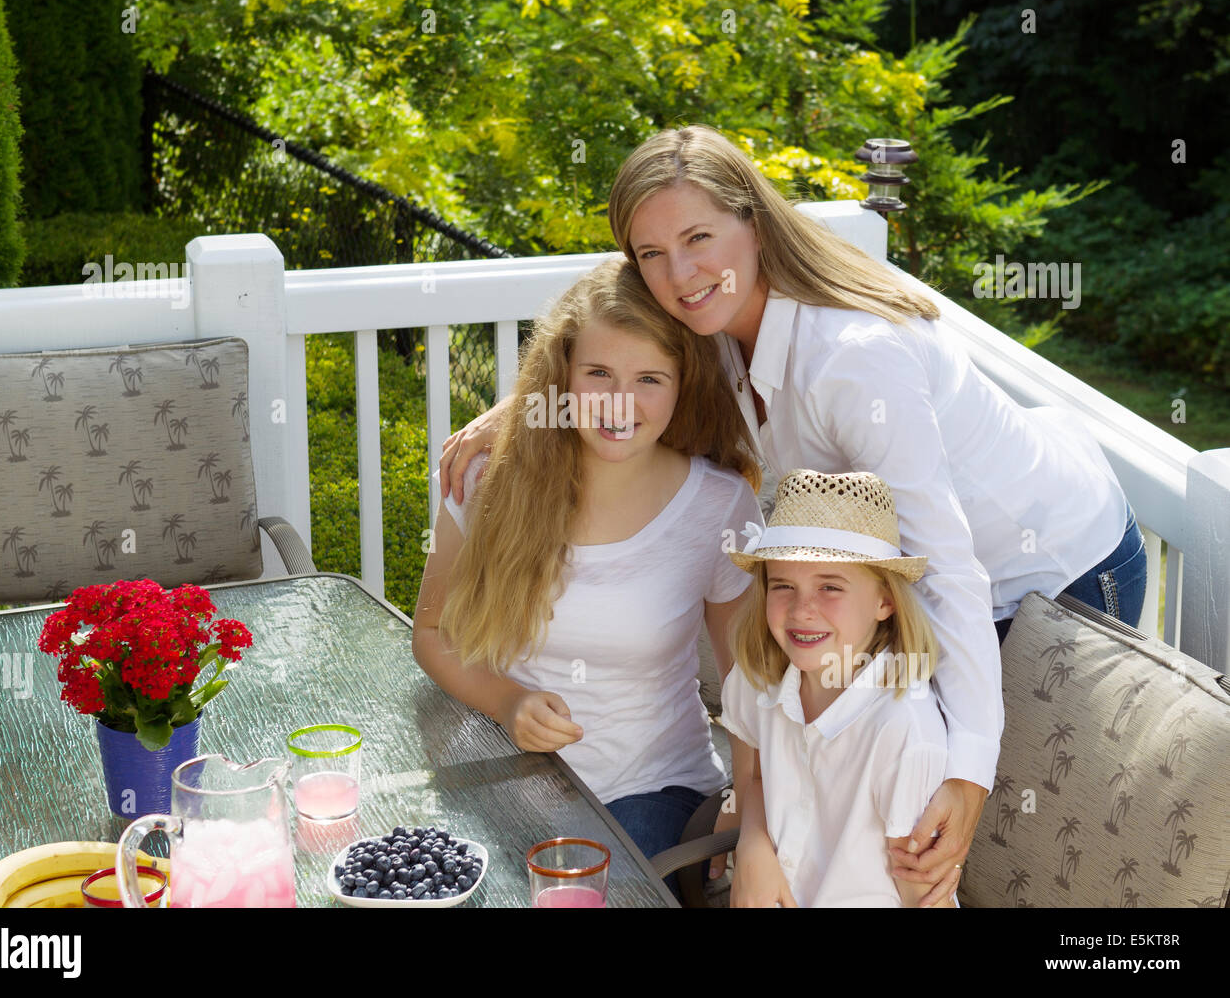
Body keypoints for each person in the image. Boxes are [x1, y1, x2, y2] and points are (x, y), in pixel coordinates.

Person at [439, 124, 1145, 906]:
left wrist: (970, 768)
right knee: (866, 810)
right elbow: (603, 330)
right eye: (653, 252)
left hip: (1053, 563)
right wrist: (522, 403)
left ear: (756, 222)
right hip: (899, 582)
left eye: (701, 236)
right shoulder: (715, 325)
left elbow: (948, 566)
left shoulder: (849, 359)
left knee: (990, 838)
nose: (681, 272)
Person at [411, 256, 764, 885]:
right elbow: (433, 635)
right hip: (507, 775)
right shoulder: (484, 479)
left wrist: (746, 804)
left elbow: (751, 682)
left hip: (655, 794)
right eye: (598, 372)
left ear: (683, 384)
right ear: (561, 374)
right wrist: (508, 701)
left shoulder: (718, 505)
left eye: (649, 378)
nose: (619, 403)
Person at [721, 468, 954, 907]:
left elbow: (924, 899)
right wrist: (752, 843)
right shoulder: (759, 680)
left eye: (830, 586)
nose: (802, 610)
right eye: (783, 586)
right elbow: (755, 777)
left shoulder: (902, 729)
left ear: (885, 600)